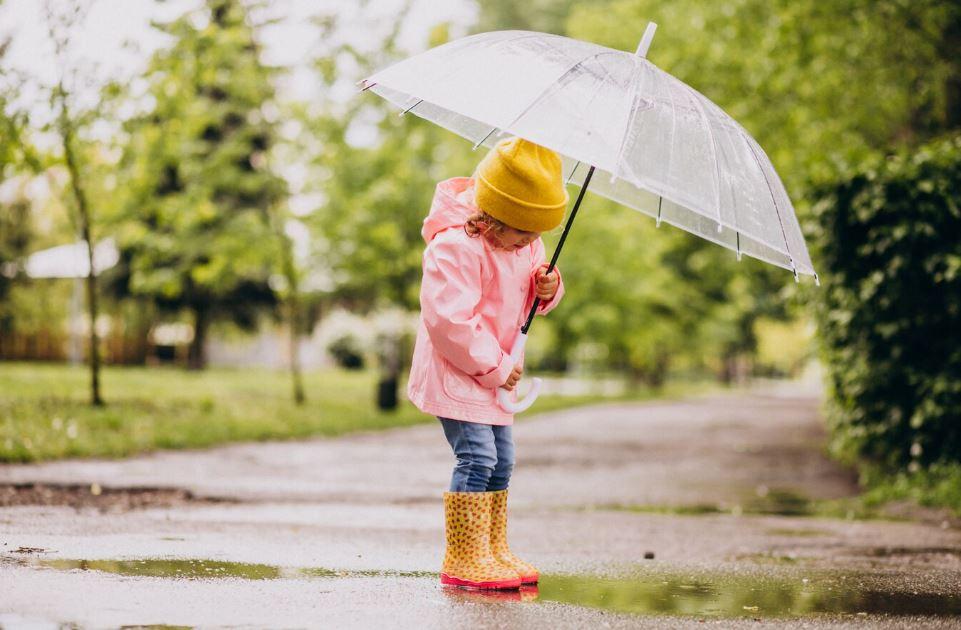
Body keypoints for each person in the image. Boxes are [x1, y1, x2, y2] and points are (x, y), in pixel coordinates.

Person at [407, 136, 568, 590]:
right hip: (459, 373)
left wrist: (549, 290)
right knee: (477, 457)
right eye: (523, 233)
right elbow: (449, 320)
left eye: (538, 236)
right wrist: (495, 367)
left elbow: (528, 304)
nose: (532, 244)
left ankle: (491, 549)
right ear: (493, 217)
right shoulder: (454, 248)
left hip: (496, 376)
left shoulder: (524, 246)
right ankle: (463, 555)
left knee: (503, 462)